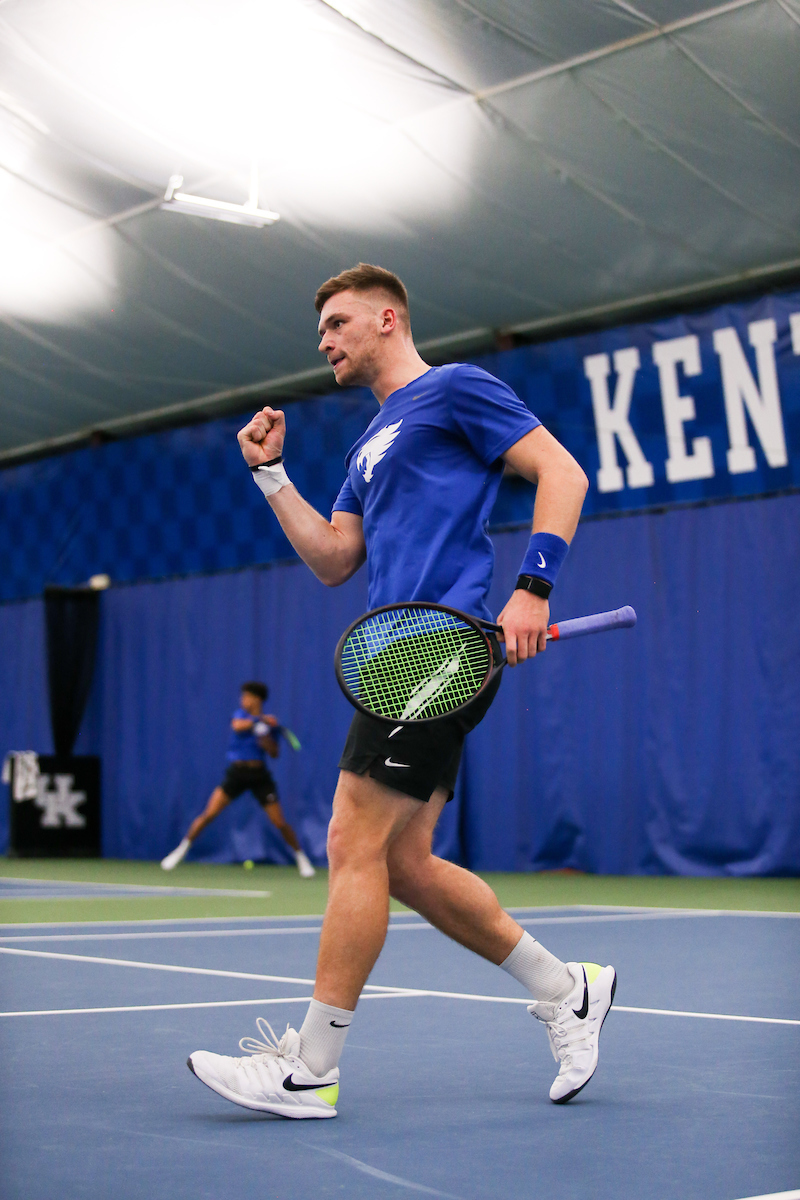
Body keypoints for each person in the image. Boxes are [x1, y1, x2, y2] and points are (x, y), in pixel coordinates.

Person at [187, 264, 616, 1119]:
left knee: (351, 838)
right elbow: (334, 560)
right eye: (321, 331)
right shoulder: (364, 447)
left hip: (440, 644)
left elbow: (562, 474)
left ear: (388, 319)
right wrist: (272, 477)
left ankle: (310, 1071)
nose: (325, 341)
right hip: (393, 652)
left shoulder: (456, 390)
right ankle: (568, 989)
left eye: (339, 323)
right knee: (405, 865)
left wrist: (534, 586)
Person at [161, 681, 315, 878]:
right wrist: (259, 722)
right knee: (209, 813)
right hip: (236, 774)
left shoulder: (268, 726)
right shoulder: (241, 716)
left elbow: (274, 753)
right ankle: (180, 850)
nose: (243, 700)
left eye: (246, 696)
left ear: (256, 699)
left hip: (259, 775)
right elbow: (237, 726)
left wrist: (265, 737)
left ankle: (302, 859)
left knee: (279, 821)